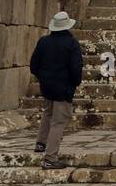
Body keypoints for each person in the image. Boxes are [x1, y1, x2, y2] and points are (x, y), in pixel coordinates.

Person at [29, 10, 84, 169]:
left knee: (48, 112)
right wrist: (75, 82)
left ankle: (41, 143)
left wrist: (44, 78)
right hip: (63, 87)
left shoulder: (43, 41)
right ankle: (50, 158)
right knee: (59, 121)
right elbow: (76, 67)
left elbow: (34, 66)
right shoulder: (71, 43)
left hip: (47, 86)